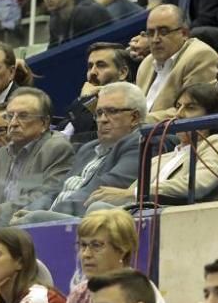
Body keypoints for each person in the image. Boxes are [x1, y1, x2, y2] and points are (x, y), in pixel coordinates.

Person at [87, 83, 218, 207]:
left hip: (179, 216)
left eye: (190, 108)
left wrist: (136, 193)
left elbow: (197, 185)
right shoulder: (162, 158)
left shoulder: (216, 145)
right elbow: (128, 195)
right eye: (178, 107)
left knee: (97, 210)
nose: (178, 114)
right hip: (141, 213)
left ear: (210, 116)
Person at [19, 82, 144, 221]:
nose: (102, 120)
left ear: (134, 118)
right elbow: (55, 191)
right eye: (99, 113)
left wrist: (37, 216)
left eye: (112, 111)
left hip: (84, 222)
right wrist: (27, 211)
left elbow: (99, 191)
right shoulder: (88, 149)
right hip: (53, 216)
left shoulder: (139, 144)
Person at [0, 89, 73, 228]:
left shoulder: (55, 147)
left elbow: (46, 195)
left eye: (23, 116)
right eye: (10, 116)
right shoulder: (3, 153)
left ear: (44, 123)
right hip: (3, 229)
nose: (13, 123)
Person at [135, 5, 218, 121]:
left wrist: (137, 122)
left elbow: (193, 109)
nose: (155, 39)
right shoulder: (147, 63)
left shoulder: (200, 55)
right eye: (150, 33)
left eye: (163, 32)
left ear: (184, 33)